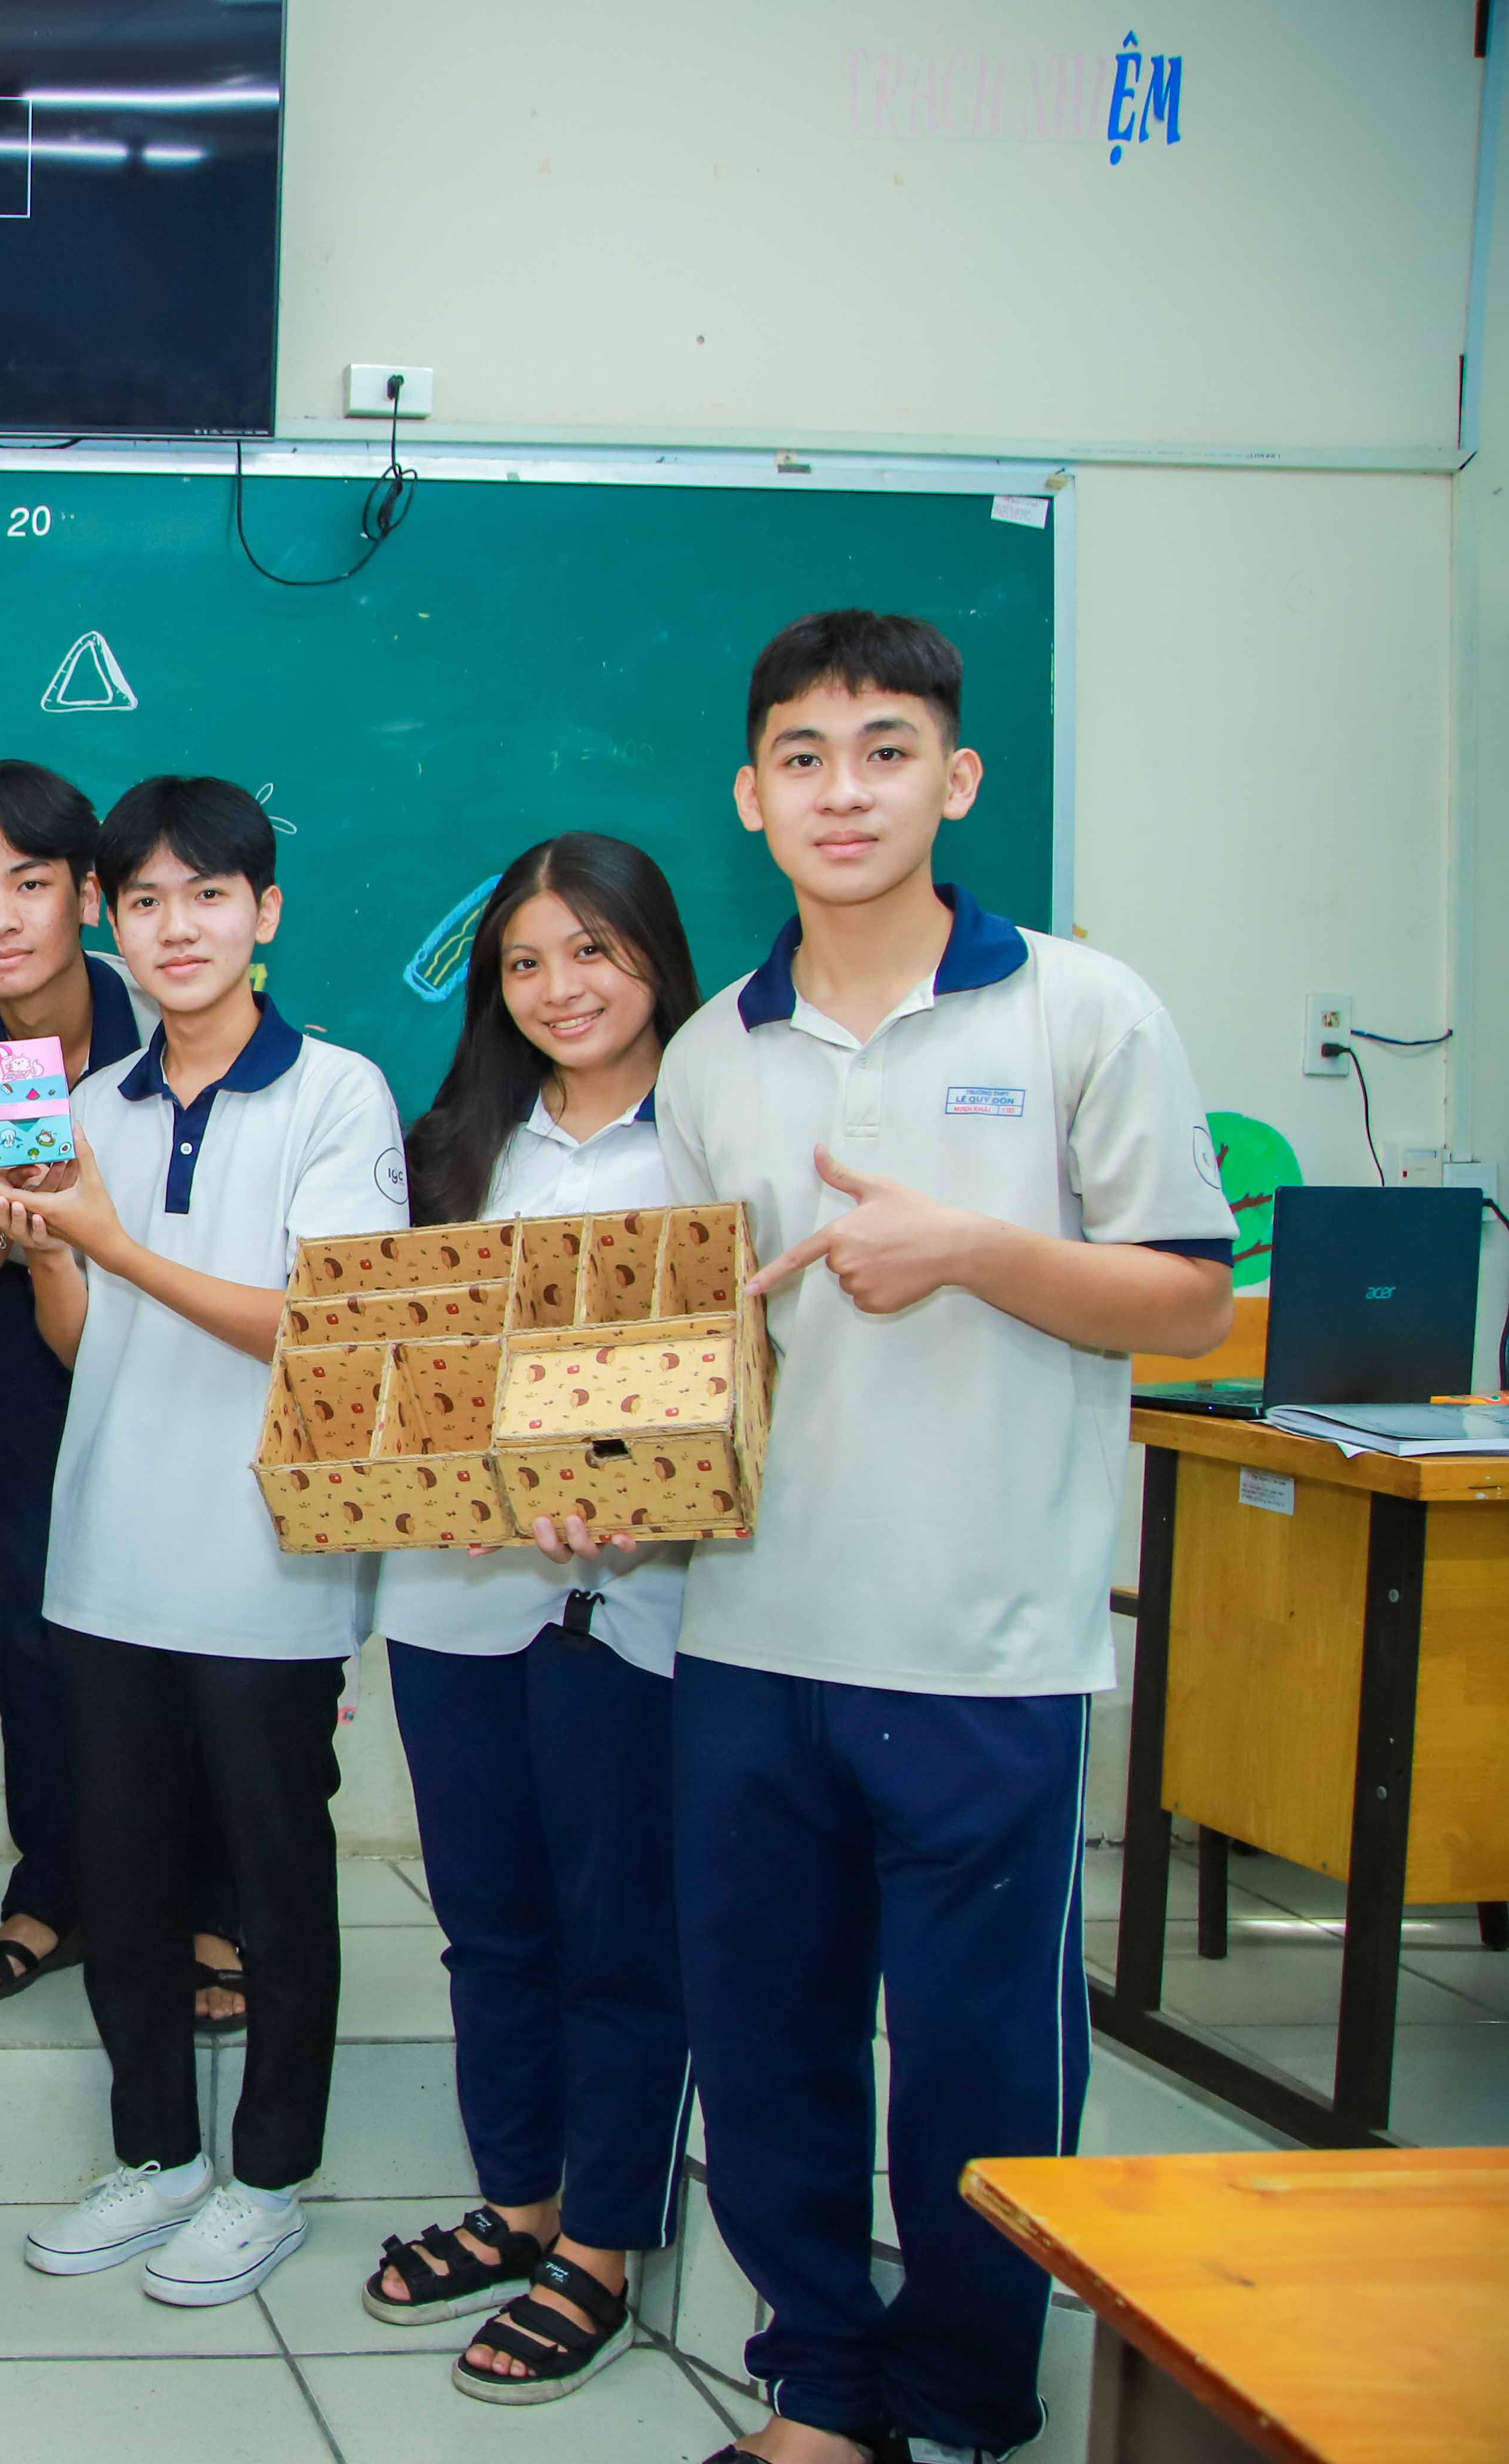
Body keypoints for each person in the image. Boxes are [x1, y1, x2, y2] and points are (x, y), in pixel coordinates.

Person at [659, 613, 1229, 2464]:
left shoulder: (1081, 1009)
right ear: (750, 797)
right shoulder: (711, 1053)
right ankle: (822, 2392)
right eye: (803, 758)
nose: (844, 792)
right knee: (770, 2047)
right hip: (751, 1637)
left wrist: (973, 1249)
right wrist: (607, 1470)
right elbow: (699, 1348)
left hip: (987, 1646)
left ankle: (972, 2395)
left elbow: (1189, 1301)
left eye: (885, 750)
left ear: (955, 779)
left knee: (984, 2063)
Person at [0, 776, 404, 2309]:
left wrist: (112, 1242)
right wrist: (46, 1245)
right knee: (130, 1883)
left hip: (269, 1560)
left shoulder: (338, 1093)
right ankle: (153, 2153)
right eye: (145, 902)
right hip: (109, 1558)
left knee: (275, 1885)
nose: (177, 928)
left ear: (263, 912)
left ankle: (268, 2176)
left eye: (209, 896)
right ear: (112, 921)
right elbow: (88, 1347)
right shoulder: (88, 1107)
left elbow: (322, 1330)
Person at [358, 834, 703, 2403]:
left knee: (617, 1933)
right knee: (489, 1921)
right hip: (451, 1599)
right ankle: (520, 2203)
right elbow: (389, 1378)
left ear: (655, 961)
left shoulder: (710, 1137)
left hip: (630, 1606)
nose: (560, 988)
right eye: (525, 962)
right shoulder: (453, 1149)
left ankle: (607, 2243)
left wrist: (636, 1481)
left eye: (593, 952)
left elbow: (745, 1375)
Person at [0, 762, 240, 2033]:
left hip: (191, 1343)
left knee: (196, 1620)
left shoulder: (163, 998)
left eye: (28, 885)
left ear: (88, 896)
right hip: (27, 1347)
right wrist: (5, 1205)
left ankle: (216, 1898)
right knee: (37, 1617)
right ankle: (54, 1884)